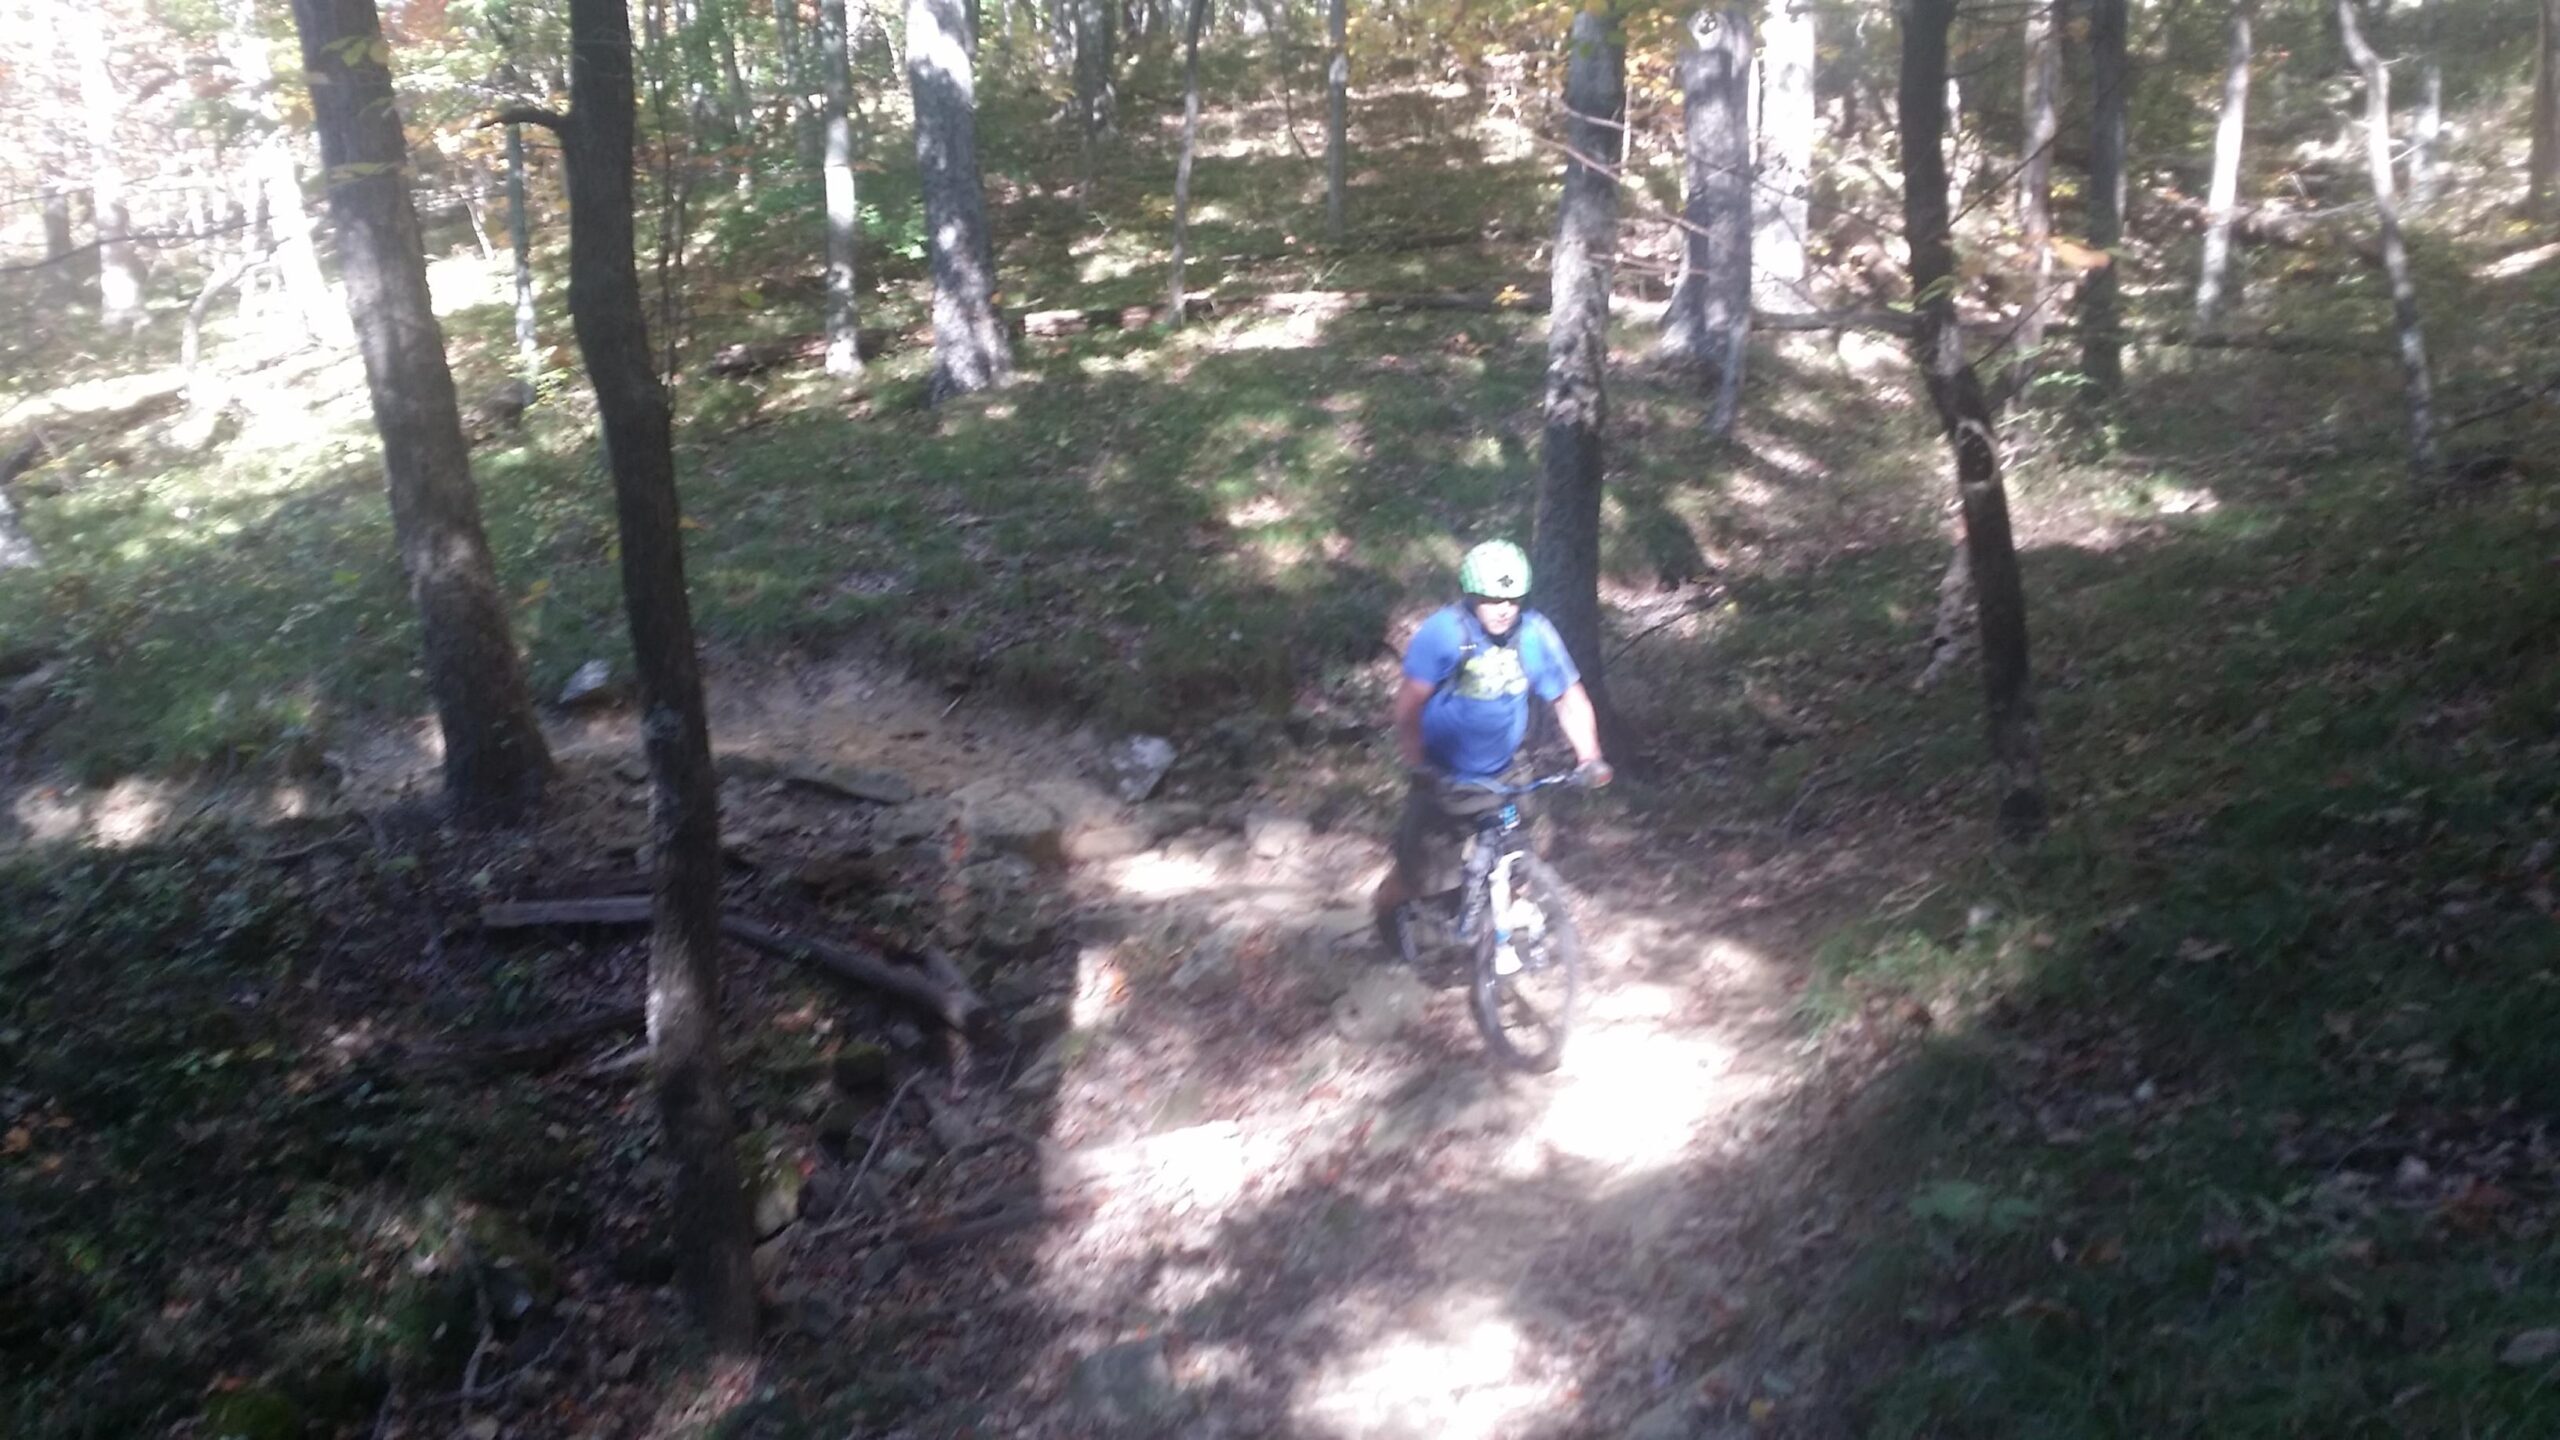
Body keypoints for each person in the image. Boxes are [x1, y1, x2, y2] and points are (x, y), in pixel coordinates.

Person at [1372, 539, 1612, 943]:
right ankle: (1385, 922)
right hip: (1444, 774)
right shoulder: (1444, 634)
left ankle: (1492, 932)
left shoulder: (1534, 634)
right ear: (1471, 595)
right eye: (1492, 598)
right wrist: (1417, 765)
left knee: (1526, 851)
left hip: (1505, 771)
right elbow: (1409, 708)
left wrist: (1590, 756)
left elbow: (1568, 697)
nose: (1504, 608)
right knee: (1418, 874)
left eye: (1513, 599)